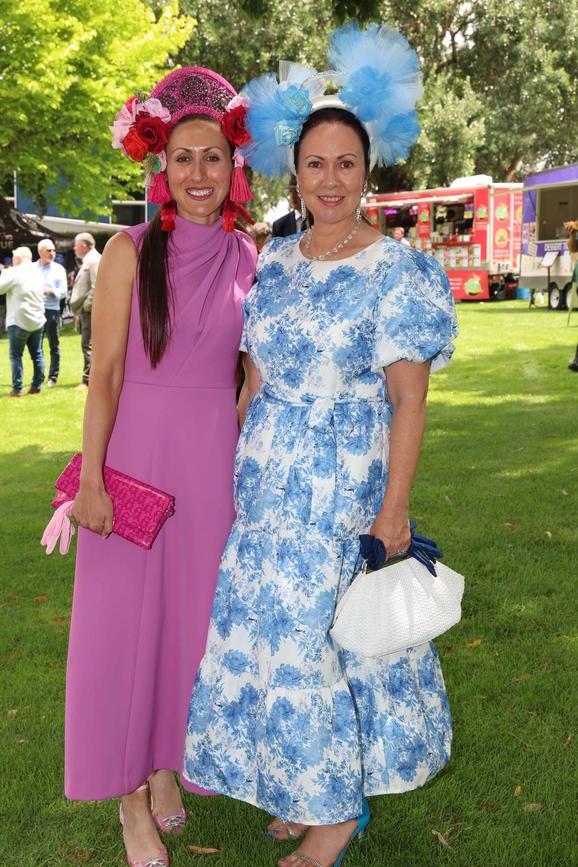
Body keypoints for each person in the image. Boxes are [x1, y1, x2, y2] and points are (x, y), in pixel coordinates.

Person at [185, 22, 459, 867]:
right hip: (266, 480)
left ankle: (335, 817)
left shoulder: (397, 268)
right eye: (315, 164)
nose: (330, 180)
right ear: (293, 172)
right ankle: (308, 784)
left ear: (365, 171)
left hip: (343, 484)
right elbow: (255, 379)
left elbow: (409, 399)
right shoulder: (276, 262)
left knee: (321, 639)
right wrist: (224, 464)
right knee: (274, 637)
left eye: (346, 163)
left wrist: (396, 505)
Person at [64, 67, 257, 867]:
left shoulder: (253, 255)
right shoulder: (126, 251)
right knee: (119, 635)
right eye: (184, 157)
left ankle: (171, 765)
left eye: (213, 157)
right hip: (134, 464)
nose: (199, 174)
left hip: (212, 473)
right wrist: (95, 479)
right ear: (160, 164)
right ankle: (130, 801)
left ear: (234, 167)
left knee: (192, 628)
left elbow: (253, 375)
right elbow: (104, 373)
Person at [0, 246, 46, 396]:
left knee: (16, 355)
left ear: (18, 258)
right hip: (37, 319)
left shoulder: (14, 272)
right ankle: (37, 385)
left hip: (19, 320)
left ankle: (17, 388)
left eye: (13, 257)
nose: (12, 260)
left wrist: (3, 274)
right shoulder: (38, 272)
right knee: (37, 354)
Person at [35, 238, 68, 386]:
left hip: (52, 311)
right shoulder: (31, 268)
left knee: (54, 345)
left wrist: (51, 291)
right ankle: (38, 378)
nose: (53, 253)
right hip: (35, 310)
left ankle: (52, 377)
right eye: (49, 250)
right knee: (37, 346)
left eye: (54, 250)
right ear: (40, 251)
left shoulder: (59, 269)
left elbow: (63, 292)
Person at [70, 232, 101, 389]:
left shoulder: (94, 260)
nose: (74, 248)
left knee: (88, 344)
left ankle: (87, 380)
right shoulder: (90, 259)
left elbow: (97, 287)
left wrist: (86, 306)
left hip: (90, 310)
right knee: (88, 344)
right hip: (88, 309)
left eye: (75, 245)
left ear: (83, 245)